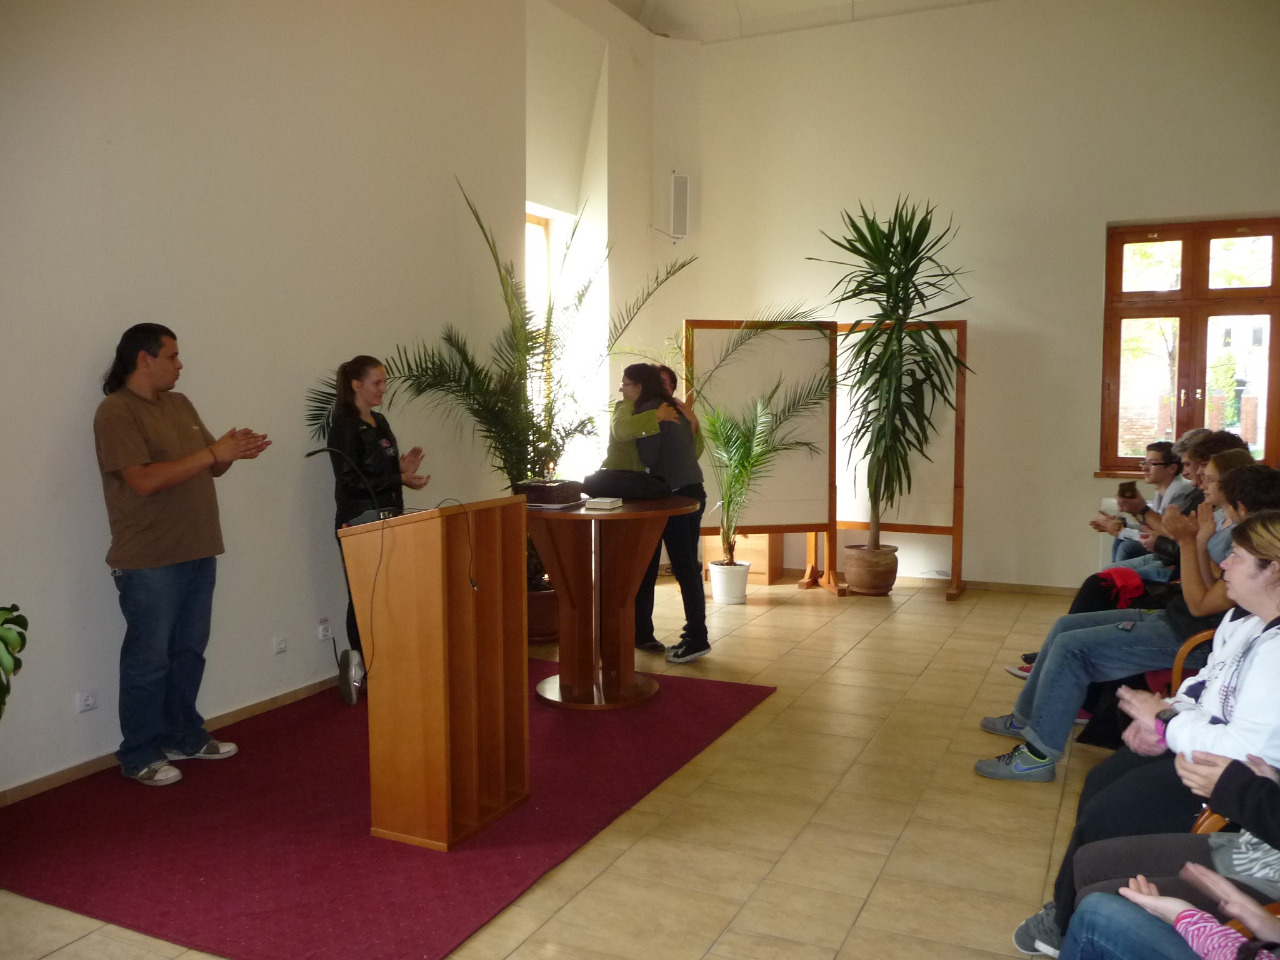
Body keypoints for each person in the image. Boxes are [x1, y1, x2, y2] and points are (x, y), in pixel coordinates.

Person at [1011, 509, 1280, 956]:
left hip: (1232, 777)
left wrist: (1168, 724)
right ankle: (1068, 906)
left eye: (1236, 555)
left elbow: (1245, 748)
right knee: (1100, 780)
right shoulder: (1247, 619)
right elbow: (1205, 683)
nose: (1224, 564)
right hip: (1199, 744)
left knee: (1109, 815)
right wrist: (1163, 717)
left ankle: (1067, 918)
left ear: (1273, 569)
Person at [976, 459, 1277, 783]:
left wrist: (1191, 543)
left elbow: (1201, 605)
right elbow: (1210, 582)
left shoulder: (1254, 551)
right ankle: (1024, 719)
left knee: (1072, 647)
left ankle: (1038, 757)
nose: (1202, 480)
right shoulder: (1237, 537)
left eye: (1213, 480)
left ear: (1239, 505)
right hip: (1176, 617)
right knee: (1065, 627)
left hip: (1189, 636)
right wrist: (1198, 542)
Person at [94, 323, 270, 786]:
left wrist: (232, 452)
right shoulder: (115, 412)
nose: (180, 364)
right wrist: (212, 452)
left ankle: (183, 735)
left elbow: (211, 467)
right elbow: (143, 480)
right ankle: (138, 754)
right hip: (148, 559)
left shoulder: (180, 403)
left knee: (189, 652)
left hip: (198, 548)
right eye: (172, 356)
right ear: (144, 359)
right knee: (148, 661)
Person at [327, 355, 429, 704]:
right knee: (364, 596)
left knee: (389, 594)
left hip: (391, 516)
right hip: (359, 521)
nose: (384, 389)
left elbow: (382, 473)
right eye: (377, 382)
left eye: (384, 382)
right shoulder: (343, 426)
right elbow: (350, 481)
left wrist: (403, 471)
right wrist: (397, 476)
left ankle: (387, 663)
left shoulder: (380, 421)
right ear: (356, 385)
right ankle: (366, 667)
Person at [630, 363, 710, 664]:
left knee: (683, 569)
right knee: (687, 569)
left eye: (626, 383)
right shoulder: (677, 410)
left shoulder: (650, 412)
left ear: (640, 386)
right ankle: (693, 634)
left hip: (673, 497)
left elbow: (649, 457)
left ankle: (697, 638)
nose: (622, 389)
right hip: (693, 492)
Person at [1092, 442, 1195, 564]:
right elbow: (1152, 527)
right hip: (1163, 544)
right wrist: (1122, 525)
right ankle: (1115, 574)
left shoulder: (1179, 491)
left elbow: (1167, 535)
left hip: (1174, 554)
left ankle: (1116, 575)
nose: (1144, 468)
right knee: (1121, 539)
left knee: (1127, 546)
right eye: (1144, 462)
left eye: (1152, 463)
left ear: (1171, 468)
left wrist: (1122, 531)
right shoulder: (1161, 490)